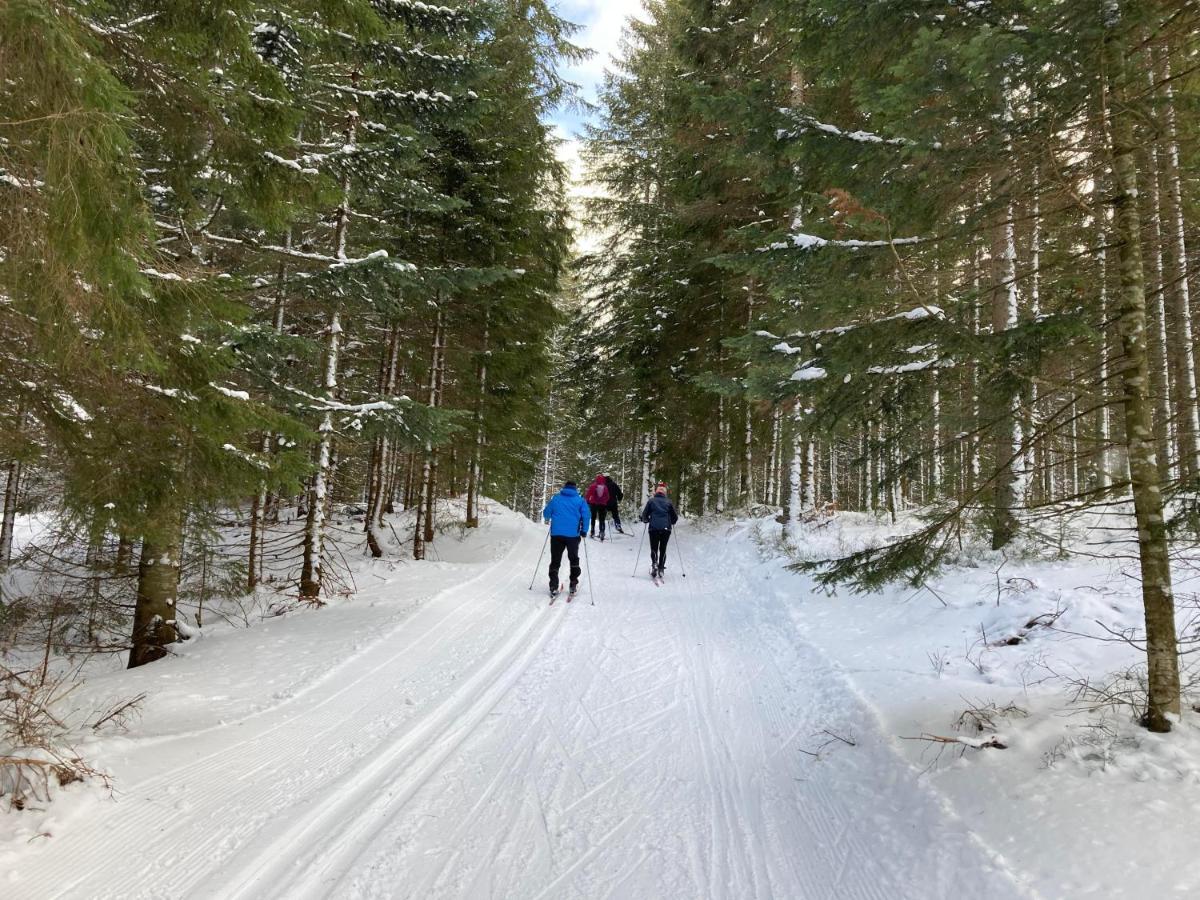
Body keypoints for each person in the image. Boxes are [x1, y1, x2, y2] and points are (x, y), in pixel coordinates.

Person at [542, 480, 590, 597]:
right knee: (573, 559)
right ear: (575, 489)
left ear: (564, 488)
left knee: (555, 560)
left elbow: (546, 514)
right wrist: (584, 531)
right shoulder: (580, 500)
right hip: (573, 535)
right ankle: (573, 584)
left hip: (556, 534)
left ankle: (553, 586)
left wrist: (553, 516)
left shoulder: (556, 499)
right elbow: (586, 516)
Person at [640, 482, 679, 579]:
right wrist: (672, 522)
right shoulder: (669, 502)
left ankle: (654, 564)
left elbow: (644, 515)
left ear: (656, 492)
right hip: (666, 529)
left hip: (653, 528)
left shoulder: (651, 501)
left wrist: (647, 520)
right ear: (664, 493)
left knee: (654, 548)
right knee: (663, 548)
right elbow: (674, 517)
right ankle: (661, 568)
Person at [584, 473, 611, 540]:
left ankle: (592, 531)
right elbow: (608, 496)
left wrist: (587, 501)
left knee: (593, 517)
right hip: (602, 504)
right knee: (602, 519)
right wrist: (605, 501)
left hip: (594, 504)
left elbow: (588, 495)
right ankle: (602, 532)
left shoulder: (592, 486)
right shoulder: (605, 487)